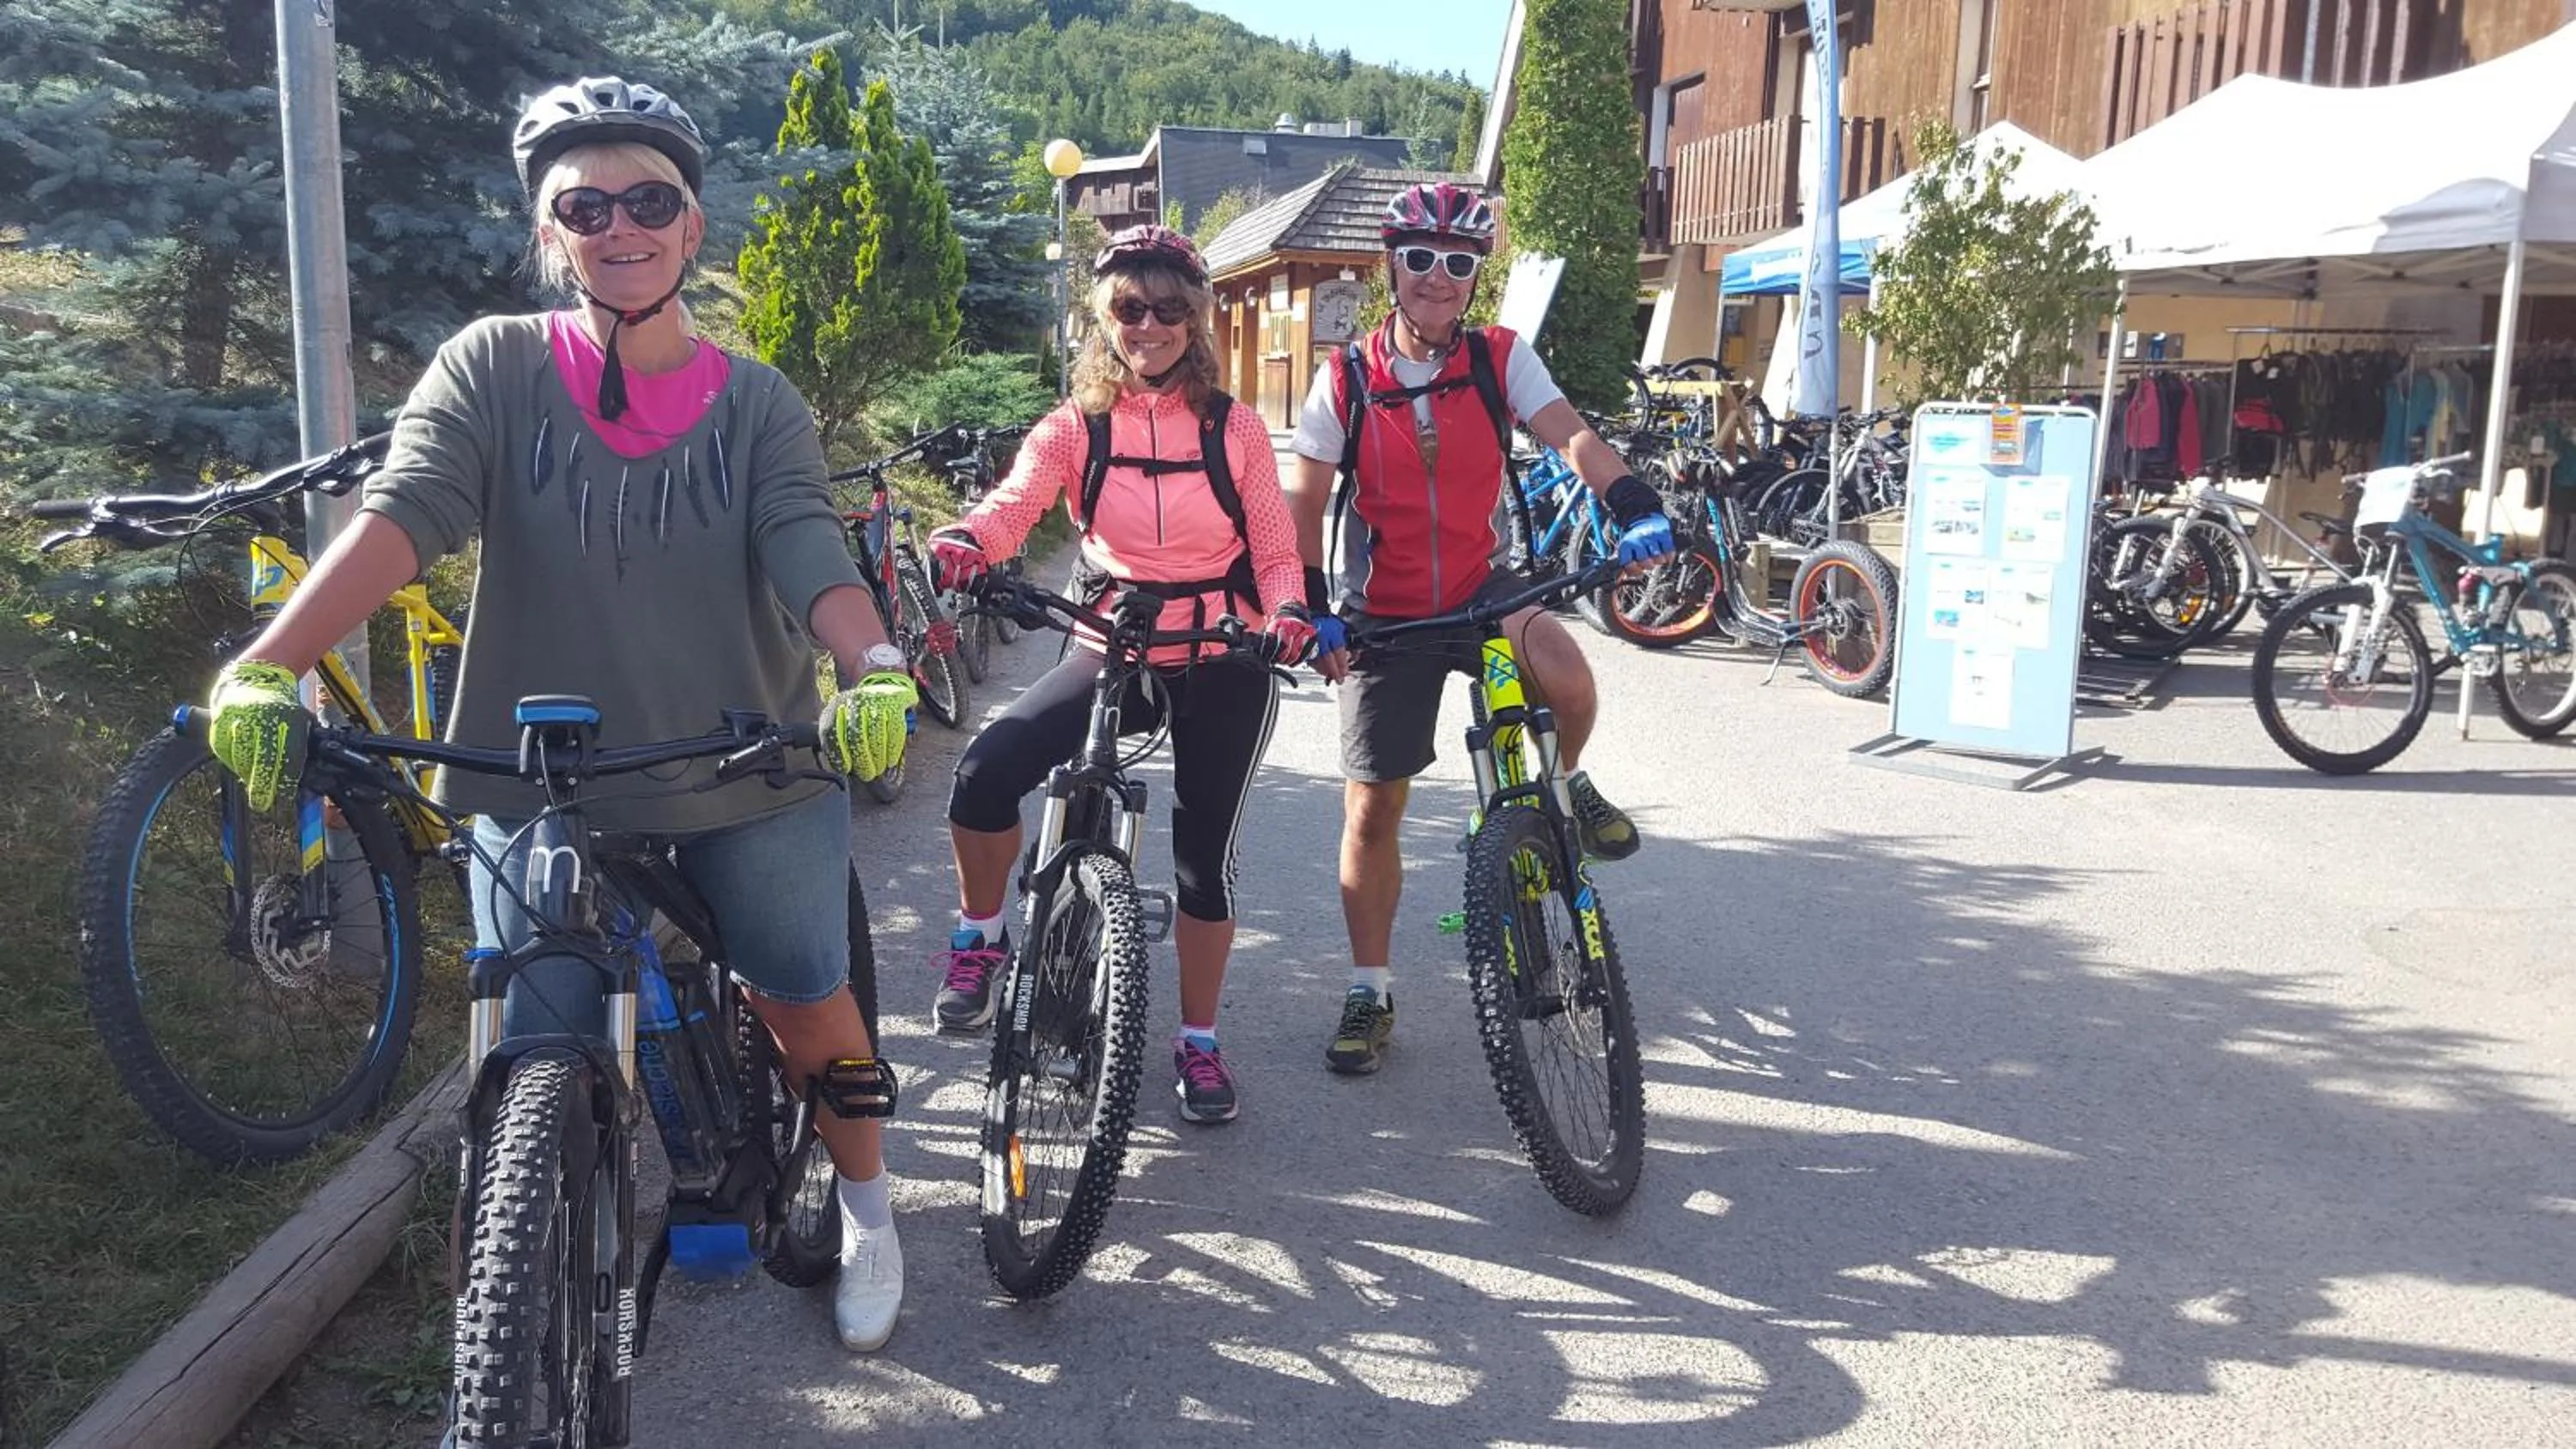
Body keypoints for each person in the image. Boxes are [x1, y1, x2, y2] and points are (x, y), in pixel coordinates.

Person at [198, 77, 919, 1353]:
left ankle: (867, 1200)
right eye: (584, 206)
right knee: (539, 1035)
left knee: (803, 991)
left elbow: (807, 549)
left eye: (651, 200)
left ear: (695, 227)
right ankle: (525, 1297)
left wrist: (870, 668)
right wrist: (269, 663)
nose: (620, 225)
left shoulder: (757, 402)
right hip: (542, 775)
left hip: (744, 762)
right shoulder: (493, 366)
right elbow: (408, 514)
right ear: (550, 233)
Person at [1281, 180, 1674, 1077]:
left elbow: (1571, 435)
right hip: (1386, 606)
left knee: (1568, 679)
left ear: (1474, 278)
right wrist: (1312, 601)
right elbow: (1304, 500)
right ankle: (1370, 987)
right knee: (1373, 804)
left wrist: (1630, 499)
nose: (1438, 277)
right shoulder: (1343, 376)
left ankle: (1563, 787)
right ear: (1392, 268)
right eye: (1420, 259)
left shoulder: (1500, 356)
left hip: (1483, 583)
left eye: (1459, 263)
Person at [926, 225, 1315, 1126]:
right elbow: (1013, 505)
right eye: (1129, 309)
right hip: (1115, 640)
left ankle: (1200, 1041)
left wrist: (1288, 612)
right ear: (1105, 320)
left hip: (1222, 649)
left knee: (1201, 858)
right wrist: (965, 540)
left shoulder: (1236, 426)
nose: (1149, 325)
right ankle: (981, 936)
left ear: (1197, 318)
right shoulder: (1076, 425)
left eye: (1169, 308)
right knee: (985, 774)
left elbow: (1276, 547)